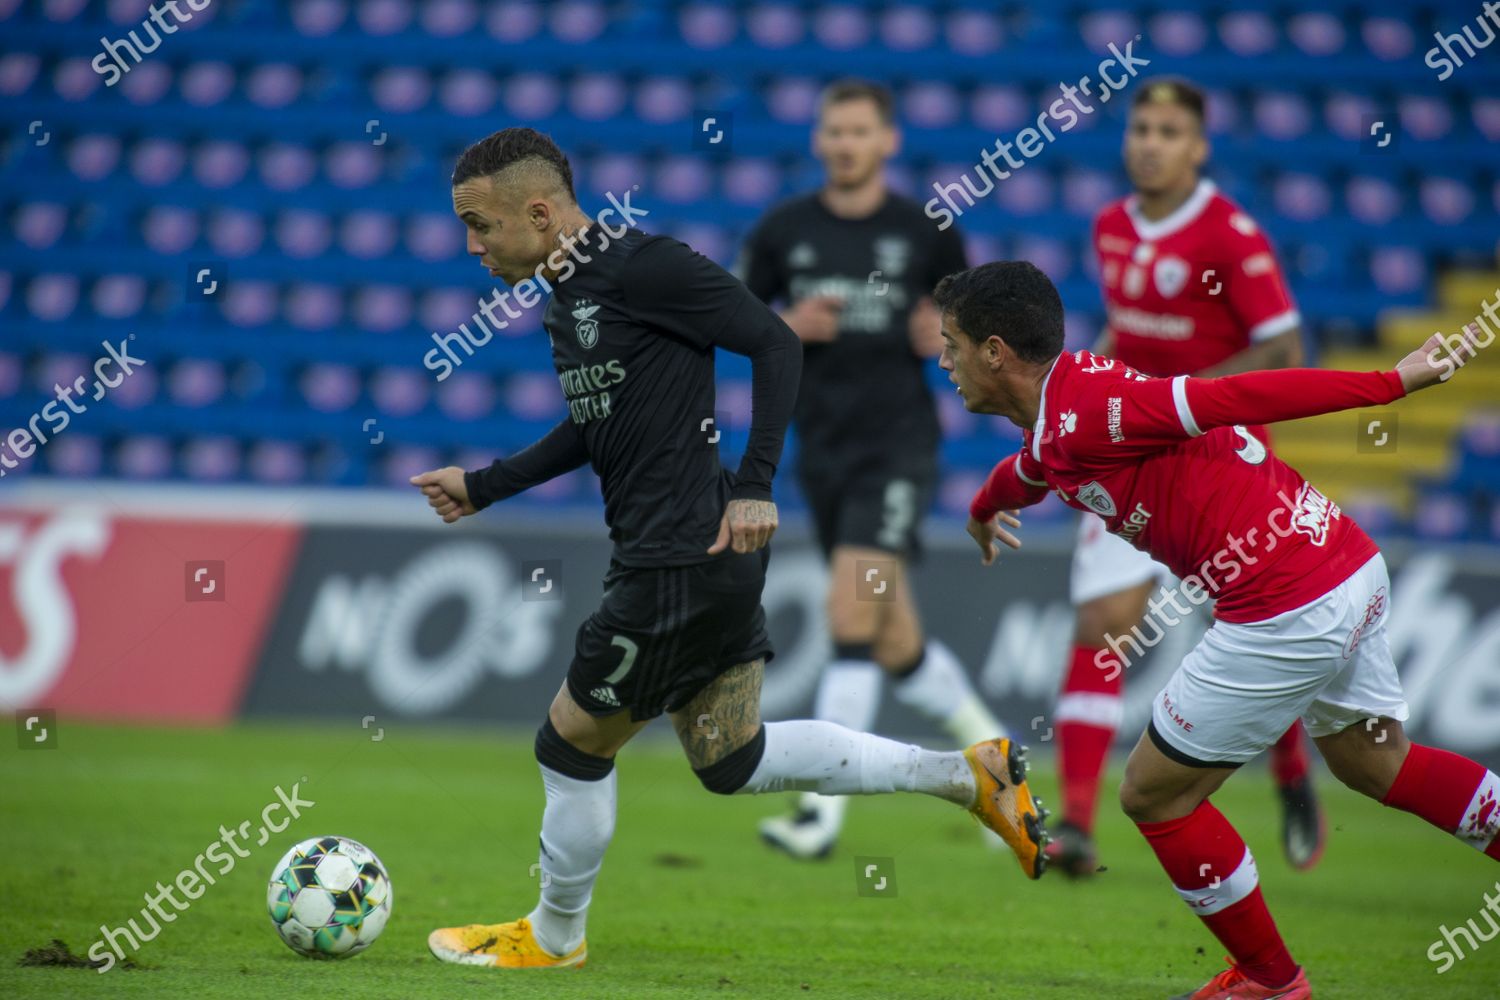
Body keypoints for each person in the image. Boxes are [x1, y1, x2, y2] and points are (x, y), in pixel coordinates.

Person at [410, 129, 1047, 971]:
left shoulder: (647, 267)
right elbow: (596, 421)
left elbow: (776, 341)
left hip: (682, 556)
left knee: (570, 745)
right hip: (699, 557)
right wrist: (487, 485)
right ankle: (969, 776)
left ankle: (554, 937)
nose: (471, 246)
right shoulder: (571, 294)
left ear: (538, 210)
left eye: (480, 225)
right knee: (731, 757)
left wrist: (756, 484)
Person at [941, 260, 1497, 999]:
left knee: (1152, 794)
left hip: (1287, 602)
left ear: (995, 351)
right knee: (1376, 765)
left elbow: (1233, 395)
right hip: (1344, 563)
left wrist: (1388, 384)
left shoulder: (1097, 406)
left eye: (950, 343)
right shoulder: (1060, 419)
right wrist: (983, 508)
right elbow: (1032, 470)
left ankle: (1271, 981)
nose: (942, 360)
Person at [1048, 77, 1323, 878]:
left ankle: (1293, 770)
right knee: (1102, 622)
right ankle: (1074, 823)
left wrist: (1187, 406)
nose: (1150, 143)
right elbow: (1122, 330)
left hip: (1224, 461)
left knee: (1246, 638)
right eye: (1140, 128)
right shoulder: (1108, 227)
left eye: (1169, 131)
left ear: (1198, 148)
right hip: (1128, 454)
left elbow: (1283, 350)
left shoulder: (1231, 236)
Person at [737, 79, 1008, 859]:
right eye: (834, 131)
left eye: (861, 132)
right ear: (819, 141)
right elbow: (730, 321)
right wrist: (783, 324)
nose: (846, 144)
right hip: (821, 450)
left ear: (888, 142)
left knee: (852, 613)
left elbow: (978, 332)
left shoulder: (925, 231)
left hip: (897, 452)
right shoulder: (783, 230)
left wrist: (948, 339)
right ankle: (1001, 771)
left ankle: (818, 817)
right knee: (895, 642)